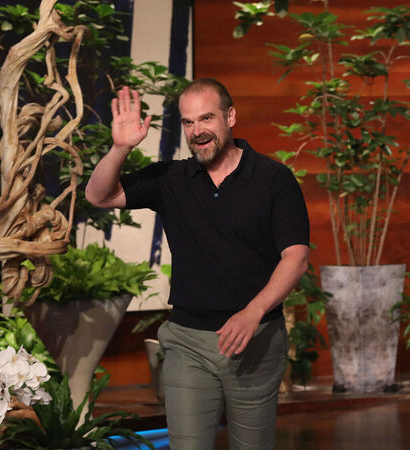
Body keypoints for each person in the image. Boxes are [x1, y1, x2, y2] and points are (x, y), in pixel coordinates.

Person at [85, 78, 310, 449]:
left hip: (256, 340)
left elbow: (296, 257)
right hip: (187, 342)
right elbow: (98, 195)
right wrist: (120, 147)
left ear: (230, 117)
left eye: (206, 118)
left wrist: (253, 312)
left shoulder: (273, 179)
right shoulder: (171, 178)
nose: (197, 131)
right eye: (188, 122)